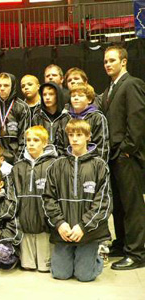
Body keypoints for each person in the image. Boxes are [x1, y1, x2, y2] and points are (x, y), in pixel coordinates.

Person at [42, 119, 112, 281]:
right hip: (64, 231)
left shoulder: (99, 165)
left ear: (88, 137)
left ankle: (96, 253)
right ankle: (71, 255)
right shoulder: (57, 165)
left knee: (84, 276)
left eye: (79, 135)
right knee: (60, 274)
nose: (74, 139)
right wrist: (60, 223)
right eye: (71, 135)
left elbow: (103, 201)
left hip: (88, 231)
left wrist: (83, 226)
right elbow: (48, 198)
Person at [101, 45, 145, 270]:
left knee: (132, 206)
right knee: (118, 205)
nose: (108, 64)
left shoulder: (132, 84)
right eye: (106, 61)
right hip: (114, 155)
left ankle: (137, 253)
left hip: (126, 155)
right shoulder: (110, 88)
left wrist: (127, 148)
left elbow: (137, 120)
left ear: (124, 61)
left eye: (112, 60)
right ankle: (122, 243)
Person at [11, 126, 57, 272]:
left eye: (36, 140)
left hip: (45, 222)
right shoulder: (18, 166)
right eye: (28, 140)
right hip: (24, 221)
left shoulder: (54, 164)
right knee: (27, 266)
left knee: (45, 268)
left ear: (44, 143)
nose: (31, 143)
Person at [0, 72, 30, 164]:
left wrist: (18, 161)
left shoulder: (22, 107)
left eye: (6, 85)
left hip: (16, 158)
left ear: (13, 86)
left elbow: (24, 138)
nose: (2, 88)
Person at [66, 83, 109, 162]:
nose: (76, 98)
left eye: (80, 96)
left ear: (89, 100)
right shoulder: (66, 118)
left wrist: (99, 166)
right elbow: (62, 146)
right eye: (73, 96)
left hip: (91, 164)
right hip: (69, 164)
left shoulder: (97, 117)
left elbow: (101, 147)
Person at [32, 81, 69, 154]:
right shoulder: (37, 117)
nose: (47, 97)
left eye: (51, 94)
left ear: (58, 96)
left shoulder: (67, 117)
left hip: (63, 159)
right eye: (44, 95)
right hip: (42, 158)